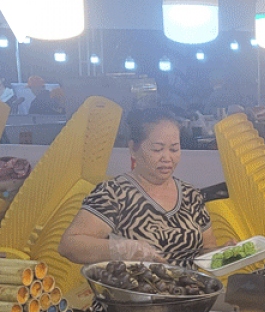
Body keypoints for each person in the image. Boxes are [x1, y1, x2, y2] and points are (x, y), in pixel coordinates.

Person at [59, 108, 217, 267]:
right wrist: (122, 249)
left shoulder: (191, 195)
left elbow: (206, 250)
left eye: (174, 149)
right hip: (132, 290)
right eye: (157, 149)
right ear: (133, 149)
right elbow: (69, 245)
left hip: (187, 290)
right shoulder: (114, 193)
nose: (167, 158)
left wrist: (224, 254)